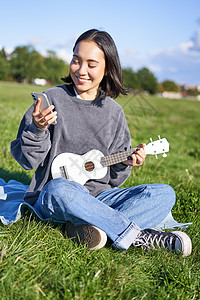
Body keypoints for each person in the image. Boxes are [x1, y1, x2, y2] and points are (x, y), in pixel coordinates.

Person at [11, 29, 192, 256]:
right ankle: (138, 236)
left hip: (101, 198)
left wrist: (125, 163)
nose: (81, 70)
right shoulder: (50, 100)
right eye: (76, 61)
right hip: (55, 197)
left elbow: (114, 180)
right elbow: (26, 161)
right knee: (60, 189)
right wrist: (37, 129)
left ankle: (90, 227)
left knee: (164, 194)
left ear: (107, 69)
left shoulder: (114, 113)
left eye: (91, 64)